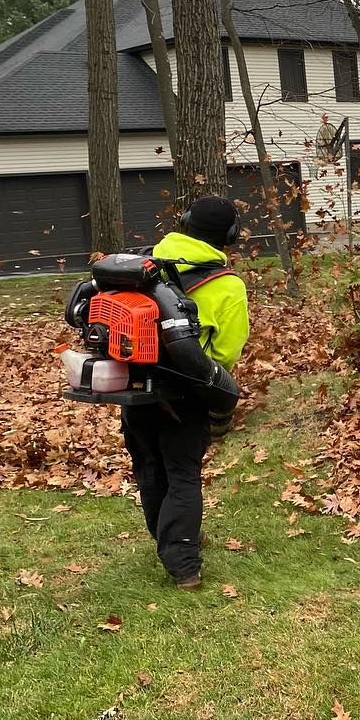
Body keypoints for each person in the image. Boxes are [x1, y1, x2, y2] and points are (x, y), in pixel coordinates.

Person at [122, 196, 250, 590]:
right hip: (186, 393)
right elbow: (226, 352)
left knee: (149, 466)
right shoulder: (226, 285)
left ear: (185, 222)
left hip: (133, 386)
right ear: (229, 236)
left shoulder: (142, 265)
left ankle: (170, 538)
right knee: (182, 474)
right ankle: (183, 566)